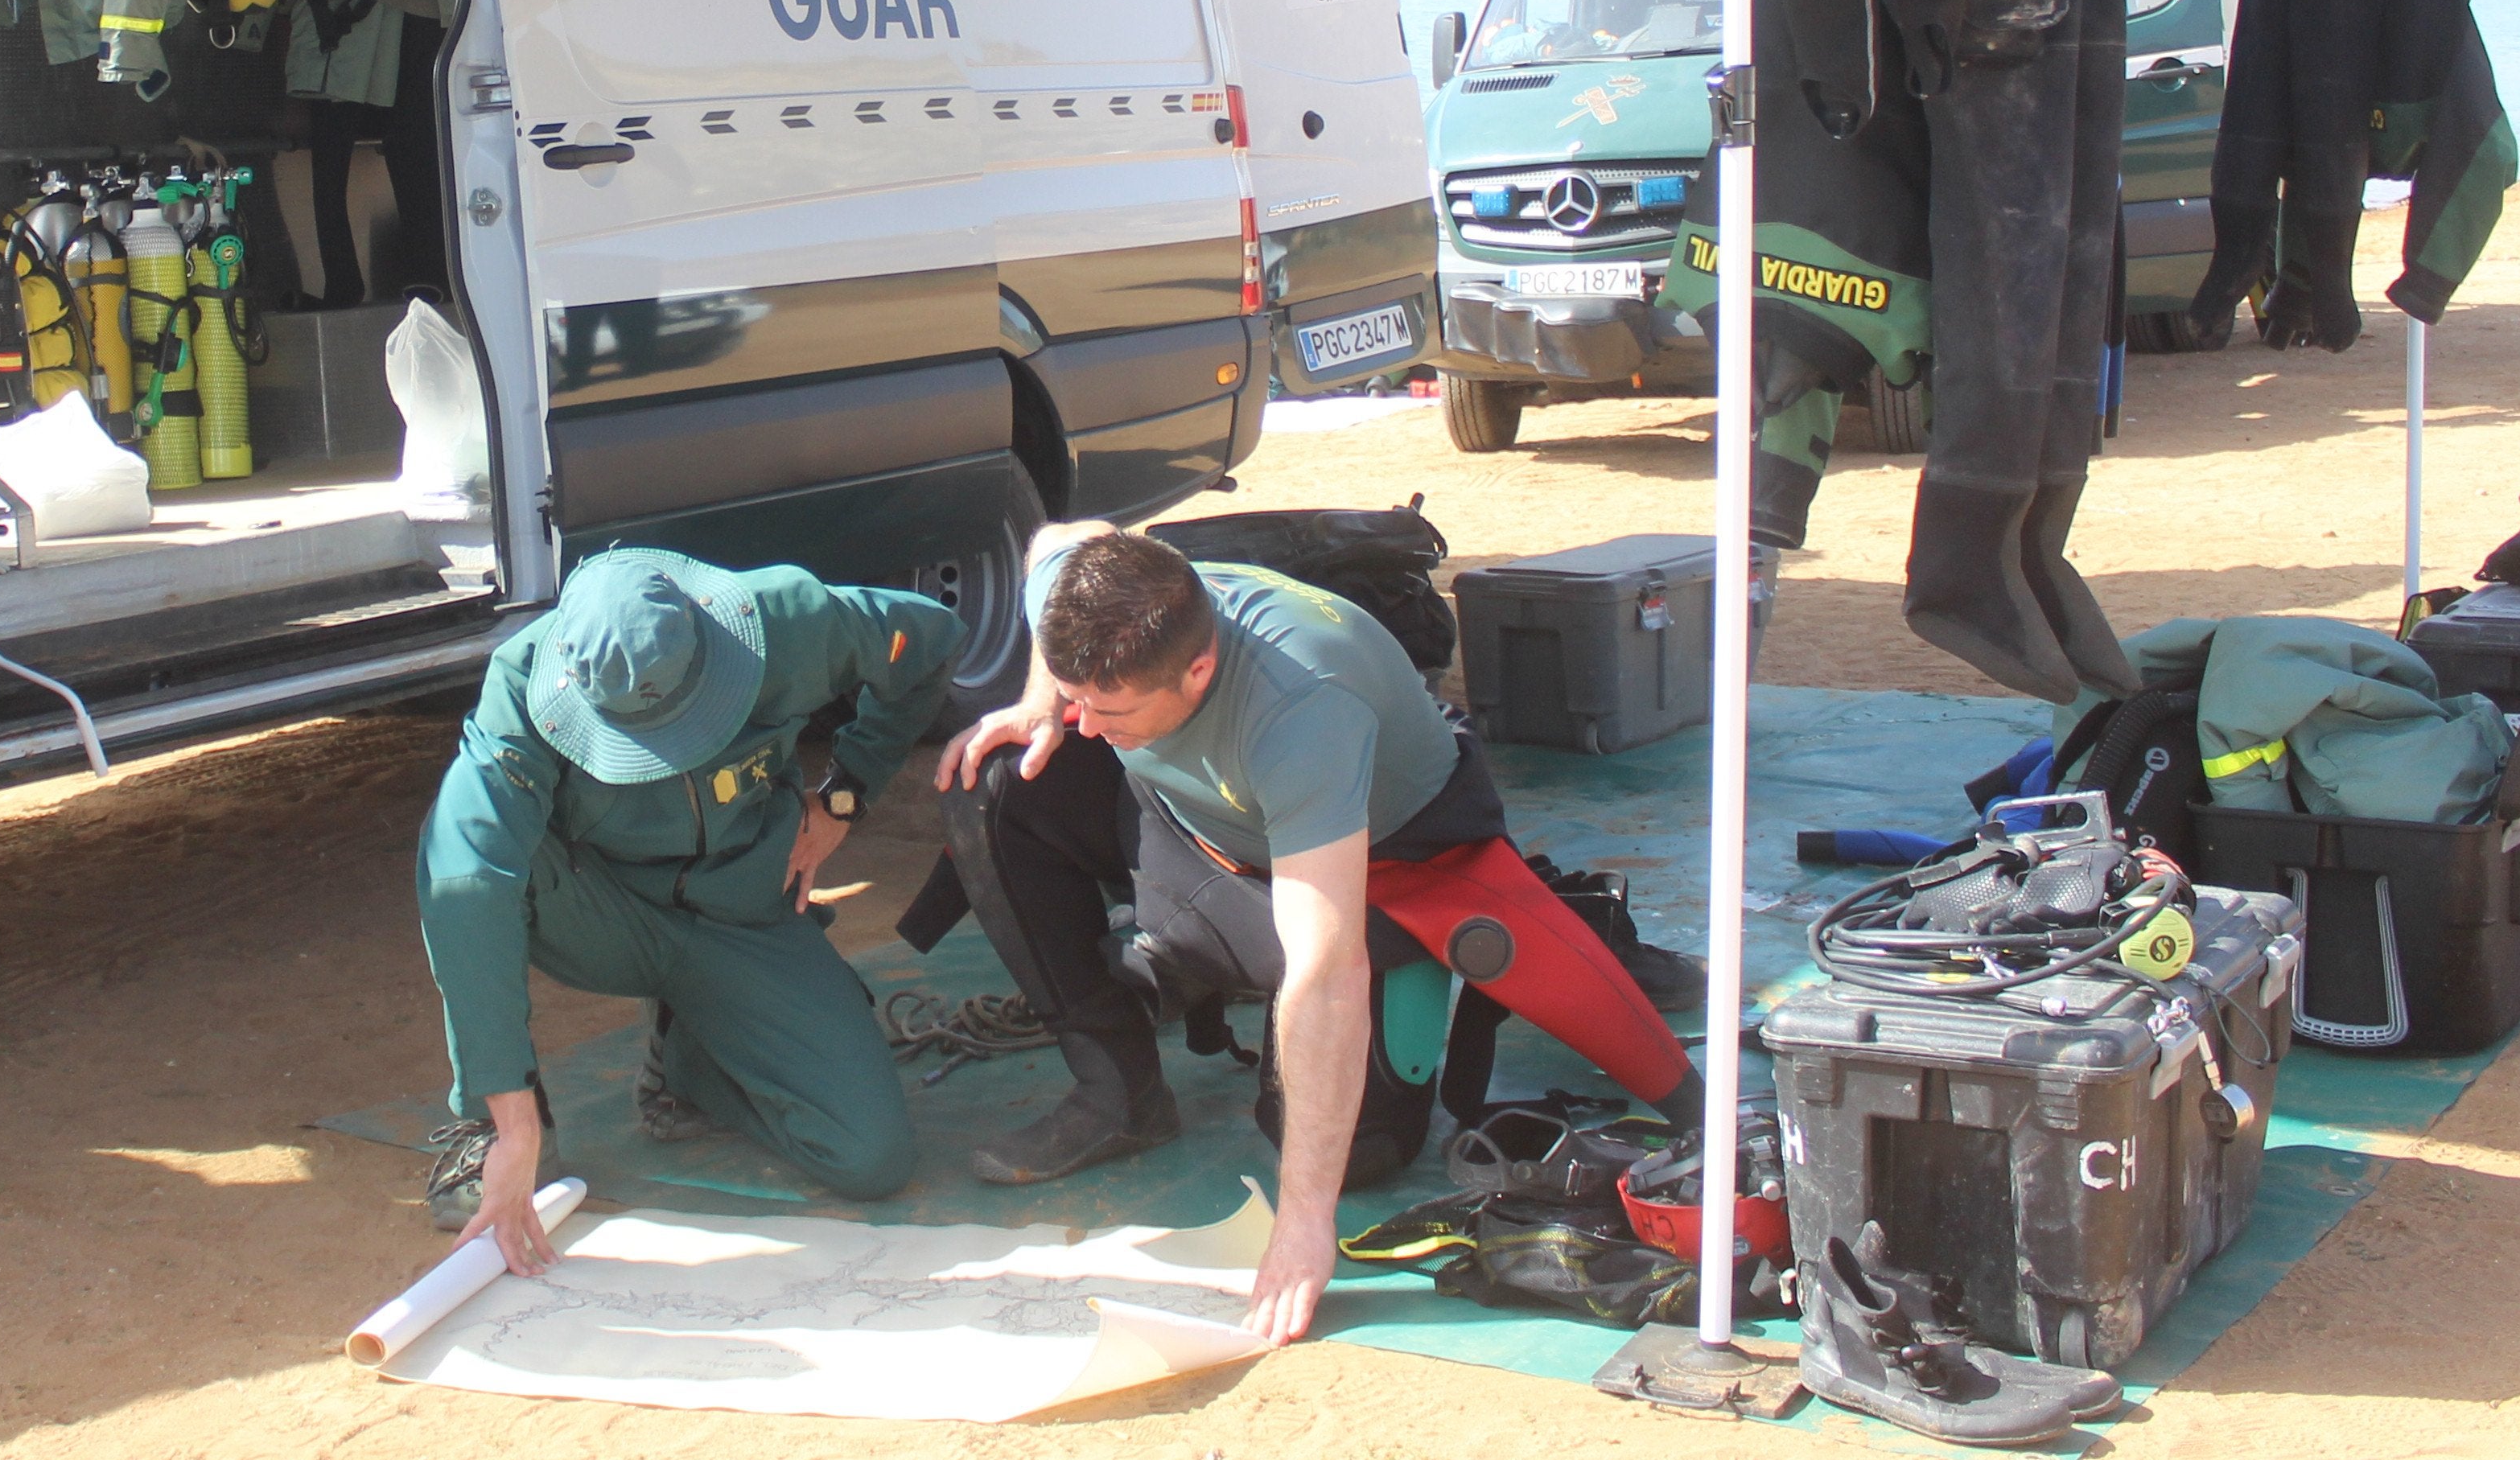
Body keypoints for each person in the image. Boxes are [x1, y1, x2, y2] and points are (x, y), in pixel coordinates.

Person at [936, 522, 1698, 1343]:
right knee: (996, 778)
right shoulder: (1094, 593)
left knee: (1358, 1147)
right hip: (1204, 832)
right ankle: (1117, 1091)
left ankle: (1418, 958)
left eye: (1106, 708)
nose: (1086, 723)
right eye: (1079, 698)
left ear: (1198, 671)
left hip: (1378, 864)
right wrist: (1039, 702)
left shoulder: (1304, 710)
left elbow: (1324, 977)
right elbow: (1060, 534)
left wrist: (1304, 1221)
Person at [418, 546, 957, 1272]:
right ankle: (486, 1128)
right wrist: (510, 1120)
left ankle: (692, 1057)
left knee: (871, 1156)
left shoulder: (790, 620)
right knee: (461, 839)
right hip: (596, 909)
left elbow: (927, 642)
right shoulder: (520, 680)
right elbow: (466, 878)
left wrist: (845, 794)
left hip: (739, 908)